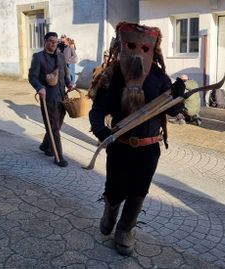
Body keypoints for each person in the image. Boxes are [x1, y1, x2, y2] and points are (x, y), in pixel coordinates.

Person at [89, 22, 185, 256]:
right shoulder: (111, 76)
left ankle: (125, 230)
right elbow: (97, 110)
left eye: (144, 48)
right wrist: (102, 132)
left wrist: (179, 95)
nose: (137, 53)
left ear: (153, 50)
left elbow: (172, 112)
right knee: (115, 189)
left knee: (138, 192)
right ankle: (110, 212)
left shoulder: (160, 78)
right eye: (131, 46)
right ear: (121, 46)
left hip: (149, 148)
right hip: (119, 146)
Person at [29, 32, 73, 167]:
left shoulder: (60, 56)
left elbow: (65, 73)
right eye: (51, 41)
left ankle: (45, 145)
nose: (54, 44)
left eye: (56, 42)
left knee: (57, 125)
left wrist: (69, 83)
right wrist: (39, 87)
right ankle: (59, 157)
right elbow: (32, 77)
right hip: (47, 97)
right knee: (54, 128)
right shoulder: (38, 57)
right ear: (45, 41)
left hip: (62, 96)